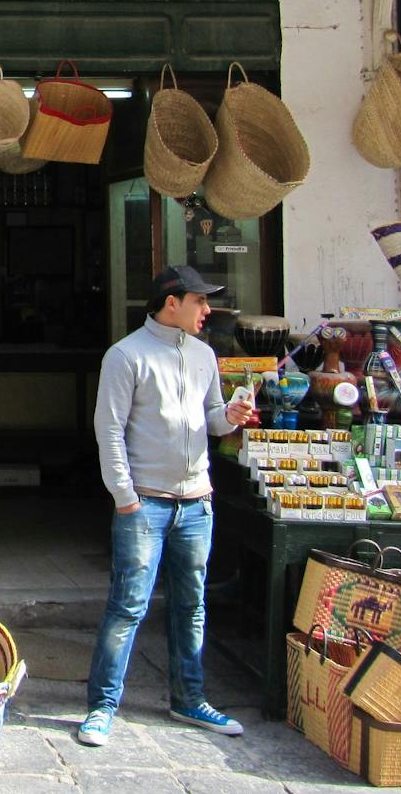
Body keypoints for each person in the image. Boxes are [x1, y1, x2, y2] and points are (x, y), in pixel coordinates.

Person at [78, 265, 255, 748]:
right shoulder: (126, 355)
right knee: (128, 606)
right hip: (146, 504)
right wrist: (125, 497)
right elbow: (109, 429)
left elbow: (212, 421)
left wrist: (230, 417)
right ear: (171, 302)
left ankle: (189, 698)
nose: (208, 310)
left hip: (197, 502)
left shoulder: (203, 355)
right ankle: (102, 706)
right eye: (200, 301)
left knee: (191, 605)